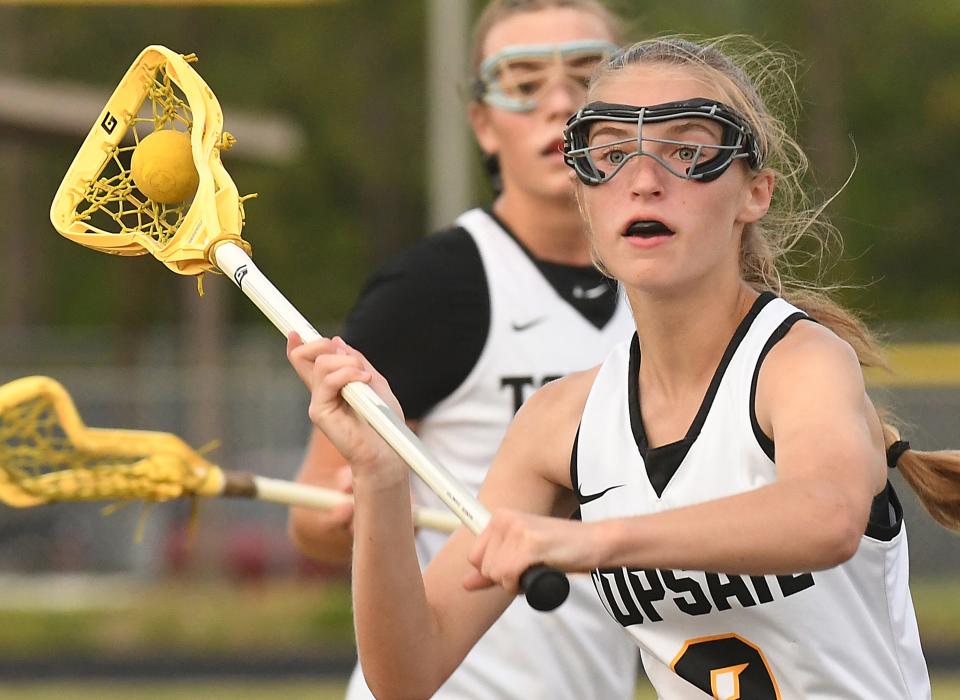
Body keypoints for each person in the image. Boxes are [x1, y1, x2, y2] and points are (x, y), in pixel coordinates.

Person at [289, 34, 960, 699]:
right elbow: (409, 671)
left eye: (688, 152)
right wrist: (380, 477)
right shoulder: (560, 422)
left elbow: (827, 516)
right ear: (584, 200)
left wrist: (594, 542)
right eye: (610, 156)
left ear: (754, 193)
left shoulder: (799, 362)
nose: (643, 181)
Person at [288, 1, 640, 698]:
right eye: (524, 82)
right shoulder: (435, 286)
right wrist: (355, 513)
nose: (561, 105)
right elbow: (310, 521)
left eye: (587, 76)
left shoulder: (667, 284)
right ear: (483, 123)